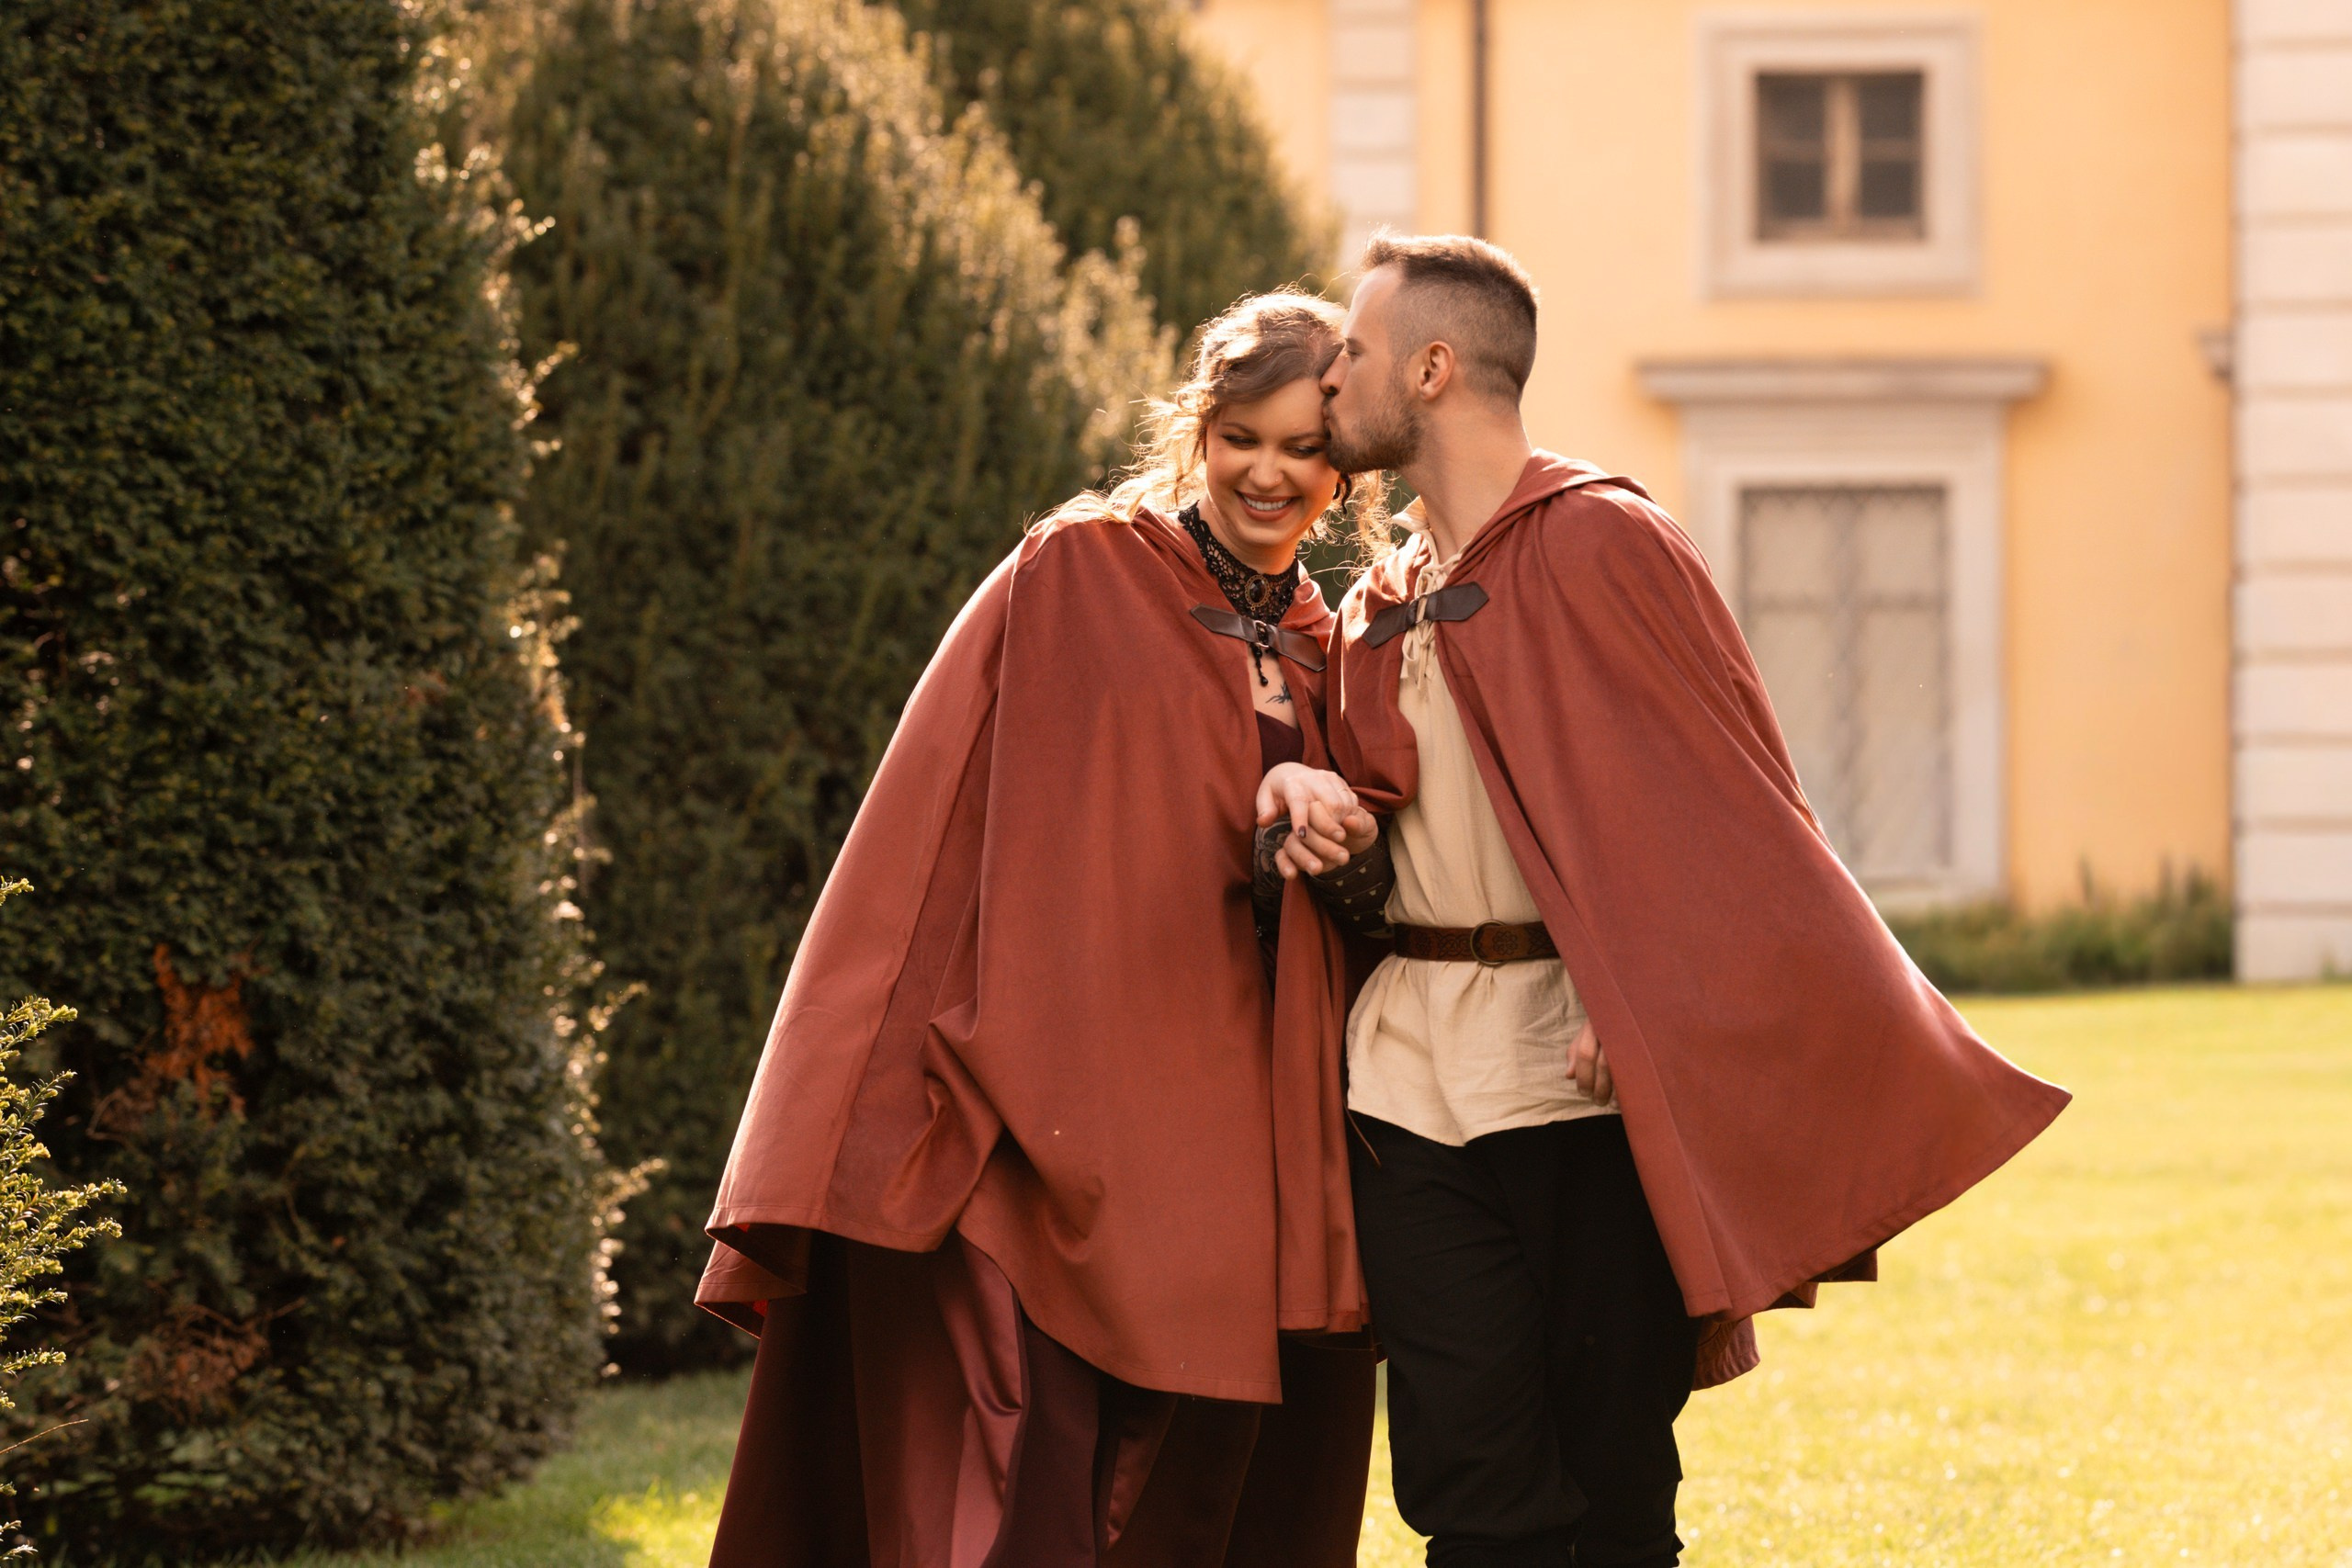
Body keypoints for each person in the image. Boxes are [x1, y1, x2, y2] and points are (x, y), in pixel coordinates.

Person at [1259, 235, 2073, 1568]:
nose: (1330, 377)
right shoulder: (1377, 601)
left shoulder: (1608, 544)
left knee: (1614, 1485)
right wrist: (1320, 817)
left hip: (1580, 1085)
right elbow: (1394, 846)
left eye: (1352, 350)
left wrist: (1649, 993)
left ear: (1434, 364)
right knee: (1467, 1489)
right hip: (1404, 1085)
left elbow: (1734, 803)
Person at [696, 290, 1380, 1568]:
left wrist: (1328, 838)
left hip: (1257, 1130)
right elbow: (946, 823)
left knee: (1217, 1489)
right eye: (1242, 436)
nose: (1269, 473)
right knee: (1033, 1486)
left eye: (1304, 449)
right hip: (1066, 1105)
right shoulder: (1078, 572)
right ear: (1198, 430)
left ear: (1341, 476)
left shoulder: (1333, 647)